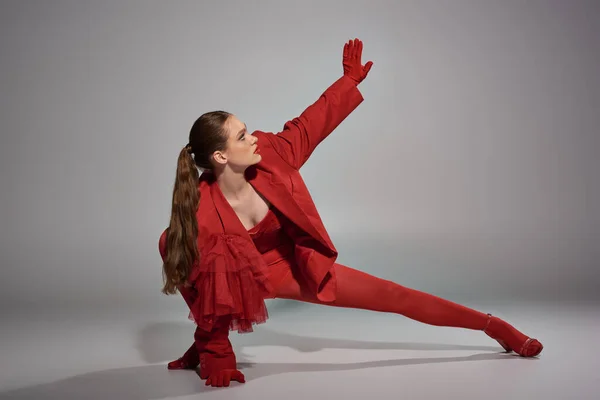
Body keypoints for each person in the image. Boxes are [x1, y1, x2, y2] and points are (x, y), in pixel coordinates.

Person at [158, 38, 543, 388]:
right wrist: (216, 352)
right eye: (242, 136)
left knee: (394, 295)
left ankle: (493, 326)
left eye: (247, 129)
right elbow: (208, 293)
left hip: (292, 266)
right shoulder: (198, 217)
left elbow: (310, 125)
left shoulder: (272, 153)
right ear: (220, 156)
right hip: (243, 279)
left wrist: (347, 82)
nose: (254, 137)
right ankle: (202, 348)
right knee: (186, 260)